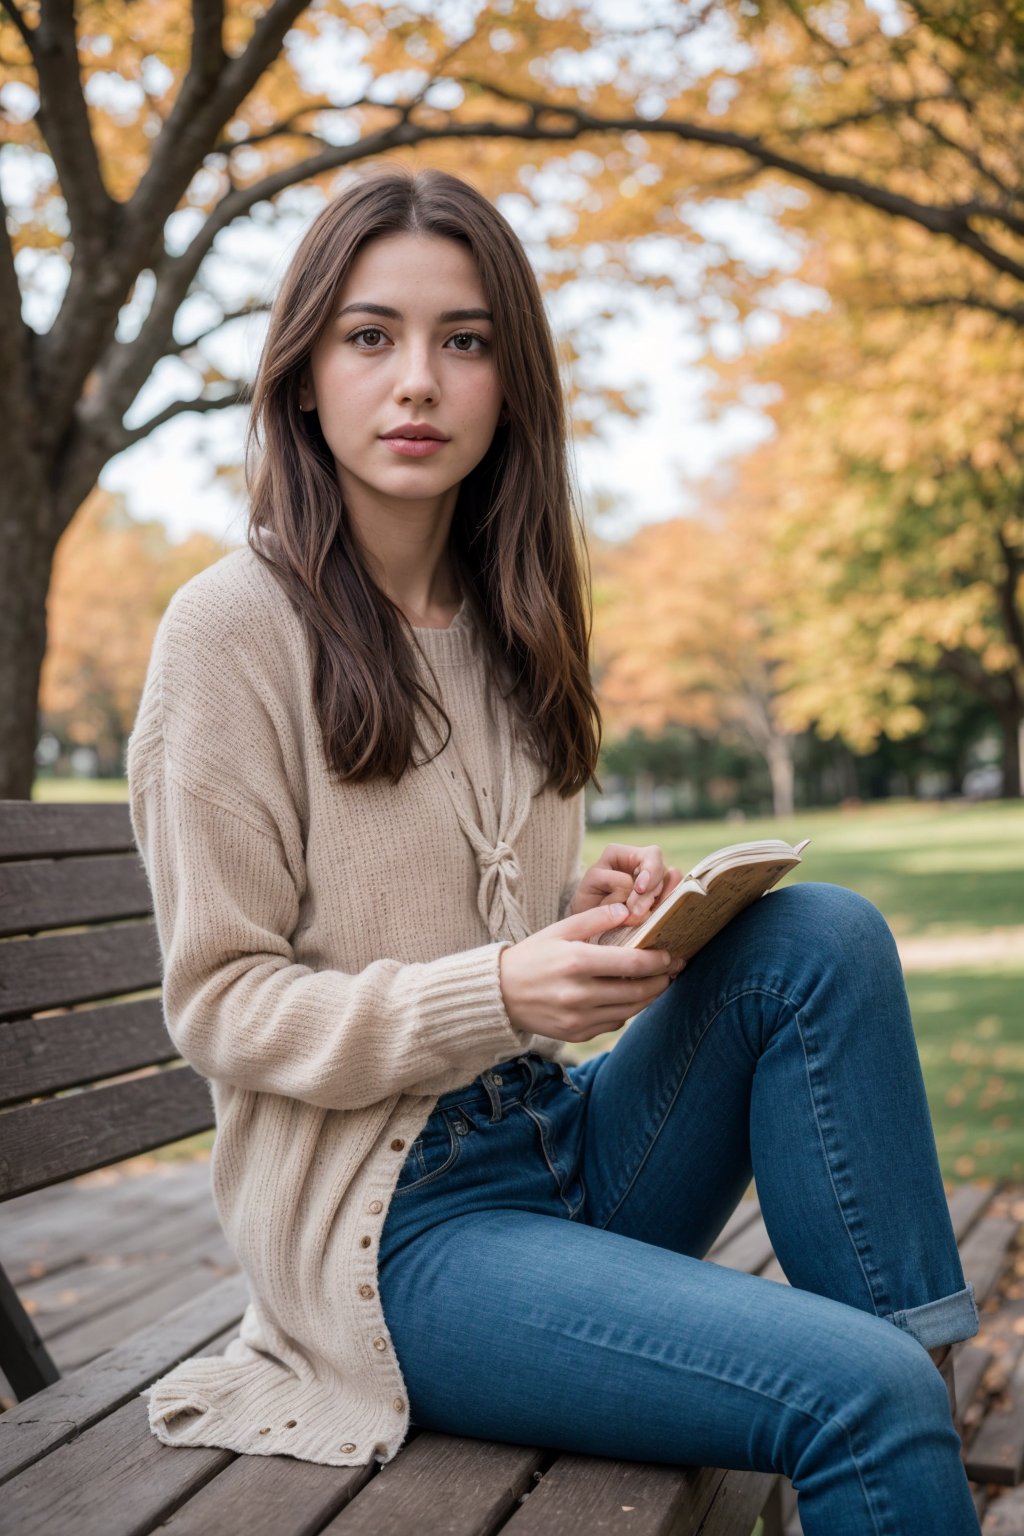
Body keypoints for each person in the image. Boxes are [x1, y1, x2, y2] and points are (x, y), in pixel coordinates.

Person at [126, 166, 981, 1534]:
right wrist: (502, 988)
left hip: (559, 1147)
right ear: (302, 377)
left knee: (820, 938)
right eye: (369, 336)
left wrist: (585, 919)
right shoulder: (229, 631)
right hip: (392, 1240)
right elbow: (221, 1005)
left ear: (510, 381)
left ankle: (920, 1371)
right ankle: (894, 1408)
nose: (417, 380)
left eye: (463, 341)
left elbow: (470, 926)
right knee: (854, 1396)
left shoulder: (515, 618)